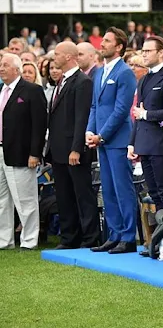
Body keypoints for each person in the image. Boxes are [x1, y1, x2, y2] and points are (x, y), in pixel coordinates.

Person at [86, 27, 137, 254]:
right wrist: (90, 131)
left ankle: (128, 236)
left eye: (107, 41)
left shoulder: (124, 72)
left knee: (122, 188)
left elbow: (121, 109)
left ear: (119, 47)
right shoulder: (99, 72)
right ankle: (114, 234)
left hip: (116, 139)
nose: (102, 44)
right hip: (102, 140)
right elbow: (95, 106)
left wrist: (101, 135)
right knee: (107, 189)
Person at [128, 36, 163, 239]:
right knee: (155, 194)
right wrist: (132, 143)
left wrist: (147, 115)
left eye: (148, 51)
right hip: (144, 143)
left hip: (161, 145)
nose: (144, 54)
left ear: (161, 53)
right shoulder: (144, 79)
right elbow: (137, 113)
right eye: (143, 51)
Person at [47, 42, 99, 249]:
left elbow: (81, 118)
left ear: (69, 57)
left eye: (58, 54)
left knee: (82, 195)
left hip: (73, 150)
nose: (54, 58)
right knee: (64, 196)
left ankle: (90, 237)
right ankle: (69, 237)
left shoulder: (82, 81)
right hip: (58, 149)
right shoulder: (62, 81)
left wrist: (77, 148)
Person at [0, 53, 47, 250]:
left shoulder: (32, 90)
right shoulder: (1, 90)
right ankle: (5, 240)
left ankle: (29, 240)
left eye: (5, 65)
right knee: (2, 201)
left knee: (25, 199)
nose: (1, 68)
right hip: (1, 150)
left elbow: (39, 125)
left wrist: (35, 153)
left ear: (16, 69)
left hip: (21, 153)